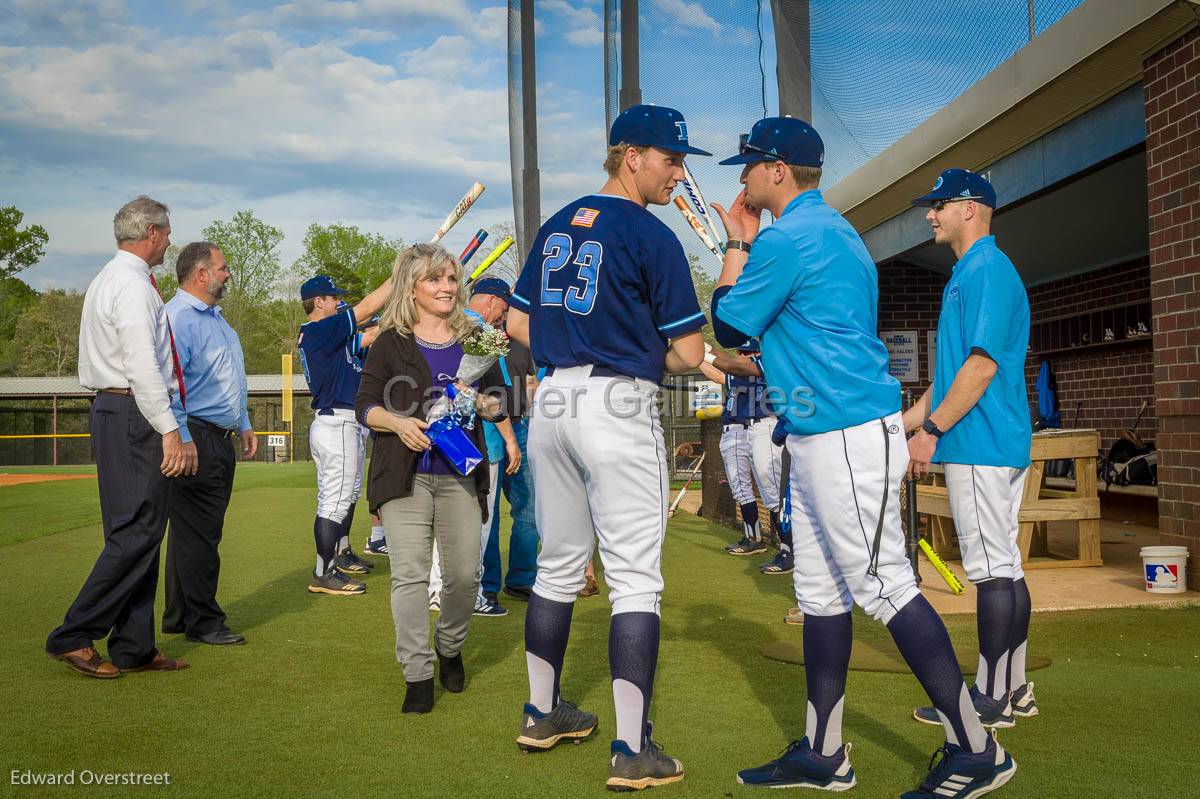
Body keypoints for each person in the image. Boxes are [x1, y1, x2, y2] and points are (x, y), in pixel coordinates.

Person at [709, 118, 1015, 798]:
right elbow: (802, 329)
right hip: (828, 429)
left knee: (884, 586)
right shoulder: (837, 230)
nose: (745, 176)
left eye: (752, 165)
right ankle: (824, 752)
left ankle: (977, 747)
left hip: (845, 432)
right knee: (820, 594)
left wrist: (736, 239)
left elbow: (728, 321)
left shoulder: (787, 236)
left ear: (780, 170)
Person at [506, 103, 707, 791]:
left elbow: (513, 316)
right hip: (615, 401)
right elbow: (688, 351)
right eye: (671, 159)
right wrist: (632, 350)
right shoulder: (652, 235)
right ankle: (630, 748)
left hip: (551, 399)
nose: (678, 173)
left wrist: (572, 350)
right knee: (636, 578)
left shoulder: (559, 219)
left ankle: (541, 712)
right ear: (631, 156)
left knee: (559, 565)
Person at [904, 169, 1035, 727]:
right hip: (988, 438)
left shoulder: (985, 268)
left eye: (939, 204)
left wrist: (930, 433)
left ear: (971, 208)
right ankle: (1016, 687)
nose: (930, 214)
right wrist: (904, 425)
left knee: (991, 570)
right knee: (1007, 564)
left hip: (980, 441)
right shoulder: (969, 271)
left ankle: (990, 697)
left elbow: (980, 367)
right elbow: (951, 374)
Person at [46, 196, 193, 678]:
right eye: (167, 233)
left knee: (137, 531)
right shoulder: (130, 286)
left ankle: (133, 644)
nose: (170, 241)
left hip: (119, 408)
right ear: (150, 232)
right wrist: (169, 430)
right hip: (133, 410)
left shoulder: (113, 280)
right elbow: (142, 365)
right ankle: (73, 633)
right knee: (138, 531)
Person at [356, 243, 506, 714]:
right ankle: (418, 673)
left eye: (451, 279)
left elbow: (499, 403)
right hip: (403, 477)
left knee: (464, 575)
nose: (446, 288)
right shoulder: (391, 340)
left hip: (460, 473)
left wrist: (478, 402)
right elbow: (365, 405)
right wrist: (398, 423)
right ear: (413, 289)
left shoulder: (477, 339)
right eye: (434, 280)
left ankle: (450, 645)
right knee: (409, 576)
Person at [161, 241, 256, 646]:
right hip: (195, 434)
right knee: (201, 532)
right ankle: (204, 621)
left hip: (218, 435)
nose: (228, 273)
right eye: (222, 267)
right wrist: (182, 437)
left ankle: (179, 615)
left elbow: (228, 379)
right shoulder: (178, 318)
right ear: (201, 273)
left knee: (192, 531)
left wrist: (245, 423)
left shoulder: (217, 320)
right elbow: (170, 386)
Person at [298, 273, 391, 595]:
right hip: (336, 422)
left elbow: (373, 333)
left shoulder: (329, 336)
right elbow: (367, 308)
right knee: (334, 503)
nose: (338, 302)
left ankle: (333, 561)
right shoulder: (320, 329)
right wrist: (401, 275)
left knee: (341, 498)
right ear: (318, 302)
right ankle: (323, 573)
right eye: (333, 297)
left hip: (341, 422)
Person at [697, 340, 786, 564]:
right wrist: (694, 351)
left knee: (766, 492)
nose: (743, 355)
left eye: (749, 352)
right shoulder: (741, 375)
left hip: (751, 428)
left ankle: (780, 546)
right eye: (740, 352)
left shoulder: (756, 371)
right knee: (751, 491)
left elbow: (719, 374)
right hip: (748, 429)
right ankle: (762, 540)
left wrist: (695, 352)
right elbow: (720, 371)